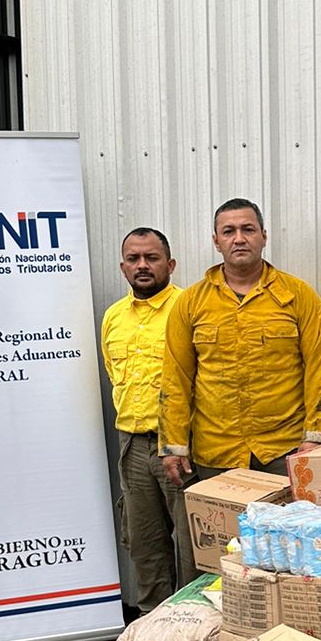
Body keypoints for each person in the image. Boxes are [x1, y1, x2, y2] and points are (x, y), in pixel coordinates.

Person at [159, 198, 321, 486]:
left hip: (283, 452)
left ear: (263, 236)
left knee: (285, 531)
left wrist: (316, 438)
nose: (238, 238)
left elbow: (320, 371)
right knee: (223, 533)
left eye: (248, 229)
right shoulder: (190, 303)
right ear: (216, 241)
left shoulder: (299, 296)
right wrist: (173, 445)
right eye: (228, 231)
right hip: (215, 454)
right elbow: (175, 378)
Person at [101, 227, 195, 613]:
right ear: (123, 267)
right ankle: (153, 626)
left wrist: (180, 443)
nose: (143, 266)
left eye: (152, 258)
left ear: (170, 264)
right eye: (134, 258)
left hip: (179, 445)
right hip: (133, 446)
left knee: (191, 545)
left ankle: (194, 628)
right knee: (144, 543)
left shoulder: (187, 307)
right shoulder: (113, 318)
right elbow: (114, 375)